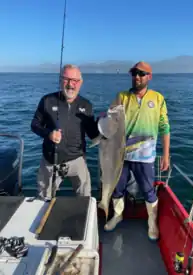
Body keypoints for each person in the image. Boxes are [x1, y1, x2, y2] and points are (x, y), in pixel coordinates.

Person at [104, 61, 170, 241]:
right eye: (134, 73)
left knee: (149, 191)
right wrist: (104, 119)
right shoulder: (121, 97)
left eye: (141, 74)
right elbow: (110, 122)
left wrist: (165, 155)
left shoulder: (158, 98)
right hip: (121, 156)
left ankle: (152, 222)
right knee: (117, 189)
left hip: (146, 157)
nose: (137, 77)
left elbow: (165, 128)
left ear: (149, 76)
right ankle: (117, 215)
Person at [31, 64, 99, 200]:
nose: (70, 84)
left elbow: (93, 134)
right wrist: (48, 133)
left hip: (78, 160)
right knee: (44, 200)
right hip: (51, 161)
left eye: (75, 80)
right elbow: (34, 125)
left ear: (81, 83)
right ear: (60, 80)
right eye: (66, 79)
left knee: (85, 199)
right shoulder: (47, 101)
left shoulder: (86, 105)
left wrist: (104, 123)